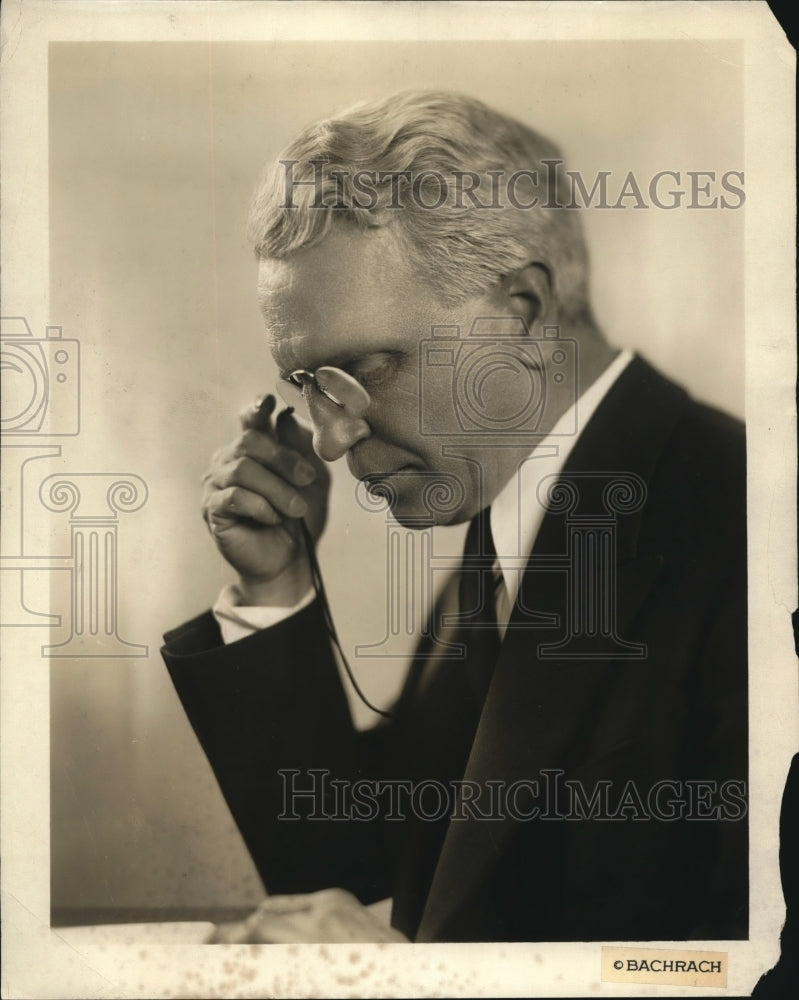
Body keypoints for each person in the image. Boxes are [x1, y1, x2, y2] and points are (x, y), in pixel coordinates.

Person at [161, 91, 747, 943]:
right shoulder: (514, 507)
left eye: (363, 369)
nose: (328, 440)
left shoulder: (750, 526)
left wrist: (415, 987)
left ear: (521, 310)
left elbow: (740, 969)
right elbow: (395, 866)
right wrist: (275, 586)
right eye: (308, 386)